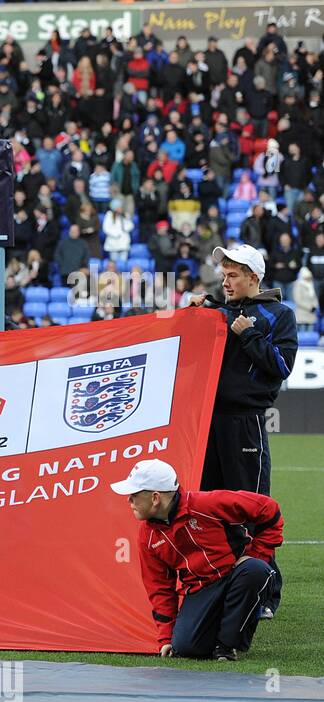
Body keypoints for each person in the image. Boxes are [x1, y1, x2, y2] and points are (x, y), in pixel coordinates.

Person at [189, 244, 297, 618]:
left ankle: (265, 593)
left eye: (233, 275)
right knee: (207, 506)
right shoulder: (216, 312)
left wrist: (249, 336)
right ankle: (218, 587)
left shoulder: (279, 314)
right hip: (206, 420)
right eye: (224, 274)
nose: (226, 281)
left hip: (247, 420)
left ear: (254, 277)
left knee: (250, 507)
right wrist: (194, 314)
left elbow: (282, 366)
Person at [110, 459, 282, 661]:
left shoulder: (207, 504)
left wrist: (256, 556)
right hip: (200, 590)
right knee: (185, 648)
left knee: (256, 570)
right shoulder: (147, 536)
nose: (129, 501)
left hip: (236, 575)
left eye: (134, 496)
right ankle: (220, 628)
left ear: (155, 498)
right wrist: (165, 638)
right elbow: (159, 588)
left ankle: (226, 646)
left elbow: (269, 509)